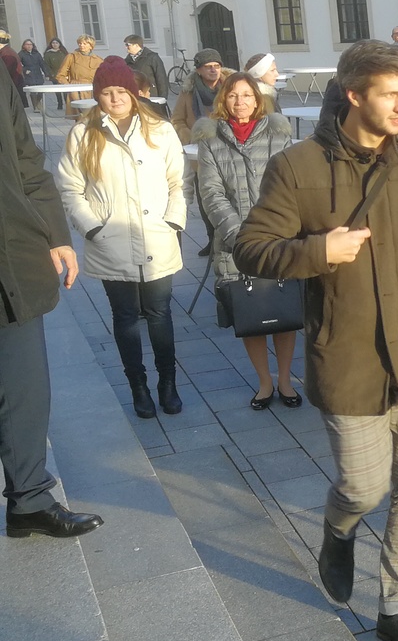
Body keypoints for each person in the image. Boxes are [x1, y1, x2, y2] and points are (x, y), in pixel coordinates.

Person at [235, 40, 398, 641]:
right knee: (363, 486)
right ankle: (339, 525)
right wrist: (317, 252)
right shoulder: (297, 166)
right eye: (390, 94)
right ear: (354, 95)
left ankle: (396, 611)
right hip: (349, 358)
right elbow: (250, 248)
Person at [0, 65, 102, 540]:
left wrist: (56, 233)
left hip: (12, 257)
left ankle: (29, 501)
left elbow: (25, 159)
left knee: (25, 387)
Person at [56, 55, 185, 419]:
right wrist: (93, 227)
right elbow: (70, 188)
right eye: (107, 92)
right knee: (125, 317)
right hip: (110, 242)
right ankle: (138, 386)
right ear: (98, 95)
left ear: (133, 92)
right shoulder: (84, 134)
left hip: (156, 237)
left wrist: (173, 221)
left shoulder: (159, 130)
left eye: (121, 91)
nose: (115, 98)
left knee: (160, 313)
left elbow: (178, 181)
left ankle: (168, 383)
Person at [194, 72, 298, 410]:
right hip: (234, 242)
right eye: (233, 95)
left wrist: (275, 229)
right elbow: (211, 193)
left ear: (258, 100)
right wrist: (240, 236)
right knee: (250, 312)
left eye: (247, 95)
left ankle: (285, 379)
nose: (240, 102)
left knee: (284, 308)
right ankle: (264, 382)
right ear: (223, 100)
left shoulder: (278, 135)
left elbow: (291, 186)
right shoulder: (211, 140)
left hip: (277, 238)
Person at [172, 49, 224, 143]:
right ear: (198, 70)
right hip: (196, 144)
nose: (213, 70)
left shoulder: (230, 89)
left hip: (224, 142)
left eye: (217, 66)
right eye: (208, 67)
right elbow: (177, 120)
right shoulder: (188, 91)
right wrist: (191, 138)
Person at [56, 35, 105, 104]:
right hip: (75, 89)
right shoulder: (71, 57)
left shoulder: (98, 60)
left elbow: (103, 77)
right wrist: (69, 87)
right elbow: (60, 75)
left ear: (91, 46)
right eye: (80, 43)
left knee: (92, 109)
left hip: (92, 89)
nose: (81, 45)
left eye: (84, 43)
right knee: (78, 109)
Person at [123, 33, 168, 99]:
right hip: (135, 96)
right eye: (125, 45)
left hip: (151, 96)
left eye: (128, 45)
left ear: (136, 45)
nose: (126, 47)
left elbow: (161, 79)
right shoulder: (127, 61)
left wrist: (163, 98)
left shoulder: (152, 57)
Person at [18, 38, 48, 108]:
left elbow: (42, 64)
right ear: (24, 46)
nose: (29, 46)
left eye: (30, 44)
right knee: (33, 91)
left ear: (32, 45)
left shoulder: (36, 53)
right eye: (27, 44)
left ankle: (37, 102)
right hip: (29, 74)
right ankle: (35, 106)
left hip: (38, 73)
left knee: (41, 90)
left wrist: (46, 74)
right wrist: (24, 70)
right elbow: (18, 64)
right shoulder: (21, 54)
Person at [43, 37, 70, 110]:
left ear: (59, 44)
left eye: (56, 43)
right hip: (54, 74)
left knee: (65, 90)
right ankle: (60, 103)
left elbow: (68, 62)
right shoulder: (48, 54)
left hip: (64, 74)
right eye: (53, 43)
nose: (55, 44)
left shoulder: (63, 52)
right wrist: (49, 74)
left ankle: (67, 104)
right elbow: (46, 65)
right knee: (58, 90)